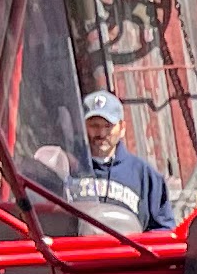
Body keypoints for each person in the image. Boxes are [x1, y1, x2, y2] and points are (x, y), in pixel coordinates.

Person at [68, 90, 174, 236]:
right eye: (94, 125)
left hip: (128, 257)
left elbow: (164, 231)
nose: (101, 133)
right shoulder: (67, 169)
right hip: (74, 257)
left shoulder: (144, 175)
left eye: (108, 126)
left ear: (122, 128)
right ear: (82, 127)